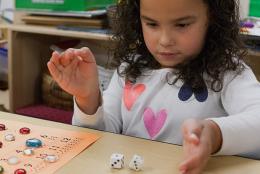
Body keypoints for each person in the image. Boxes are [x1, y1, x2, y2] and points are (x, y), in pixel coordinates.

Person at [47, 0, 260, 173]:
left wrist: (214, 134)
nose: (165, 40)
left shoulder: (229, 72)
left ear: (212, 19)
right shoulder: (130, 68)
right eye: (151, 24)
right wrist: (87, 98)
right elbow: (103, 137)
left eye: (182, 25)